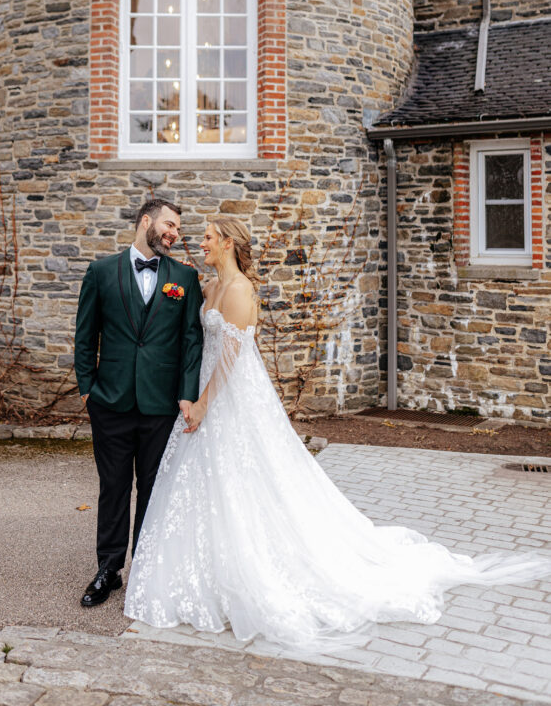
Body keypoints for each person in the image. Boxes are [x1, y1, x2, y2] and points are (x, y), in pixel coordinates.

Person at [124, 214, 551, 651]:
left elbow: (230, 360)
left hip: (229, 397)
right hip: (206, 394)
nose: (203, 242)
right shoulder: (210, 287)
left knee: (247, 480)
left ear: (230, 243)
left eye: (211, 237)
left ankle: (252, 575)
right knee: (210, 484)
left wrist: (201, 405)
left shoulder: (238, 291)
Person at [74, 198, 203, 607]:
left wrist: (186, 393)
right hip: (109, 401)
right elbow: (85, 334)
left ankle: (145, 568)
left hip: (160, 405)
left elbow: (190, 340)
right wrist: (86, 388)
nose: (174, 233)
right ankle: (107, 570)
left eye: (178, 229)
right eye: (169, 225)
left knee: (152, 489)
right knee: (113, 488)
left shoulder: (184, 277)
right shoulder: (100, 272)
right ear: (145, 221)